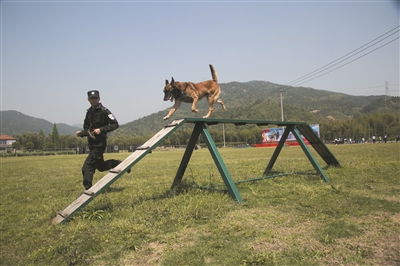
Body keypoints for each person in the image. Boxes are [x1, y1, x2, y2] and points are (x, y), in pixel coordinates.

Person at [76, 90, 129, 190]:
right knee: (100, 166)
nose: (94, 100)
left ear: (99, 99)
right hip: (91, 144)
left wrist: (101, 130)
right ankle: (118, 164)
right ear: (88, 100)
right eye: (92, 98)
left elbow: (115, 124)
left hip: (99, 144)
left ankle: (89, 190)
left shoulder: (104, 111)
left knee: (87, 167)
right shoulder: (88, 113)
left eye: (95, 98)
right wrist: (82, 133)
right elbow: (88, 129)